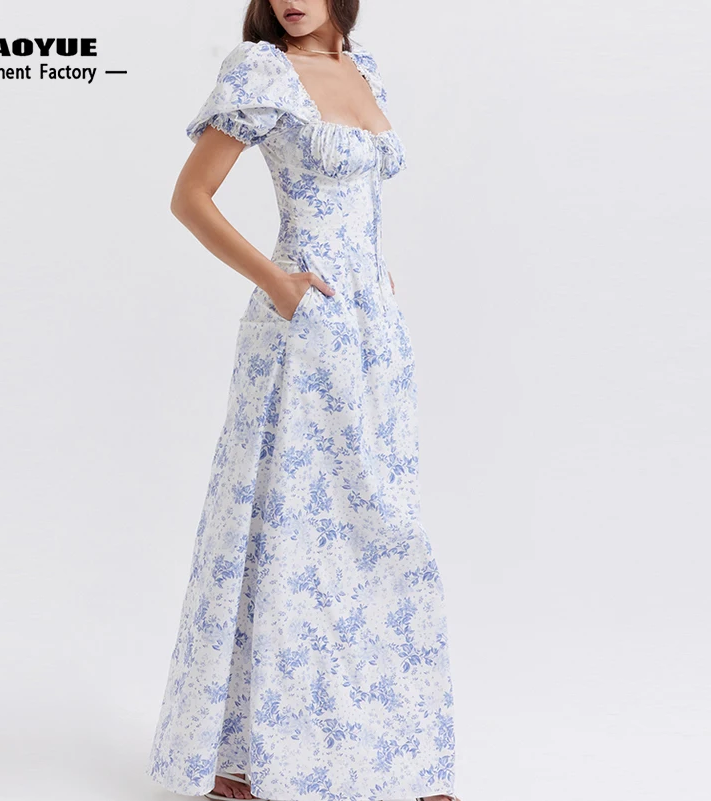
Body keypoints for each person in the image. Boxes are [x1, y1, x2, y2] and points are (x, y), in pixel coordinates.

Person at [146, 3, 461, 801]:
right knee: (286, 523)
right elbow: (191, 197)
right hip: (303, 325)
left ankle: (397, 752)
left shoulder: (366, 69)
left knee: (382, 524)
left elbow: (364, 203)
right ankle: (245, 755)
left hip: (374, 328)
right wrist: (278, 283)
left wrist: (375, 278)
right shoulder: (262, 72)